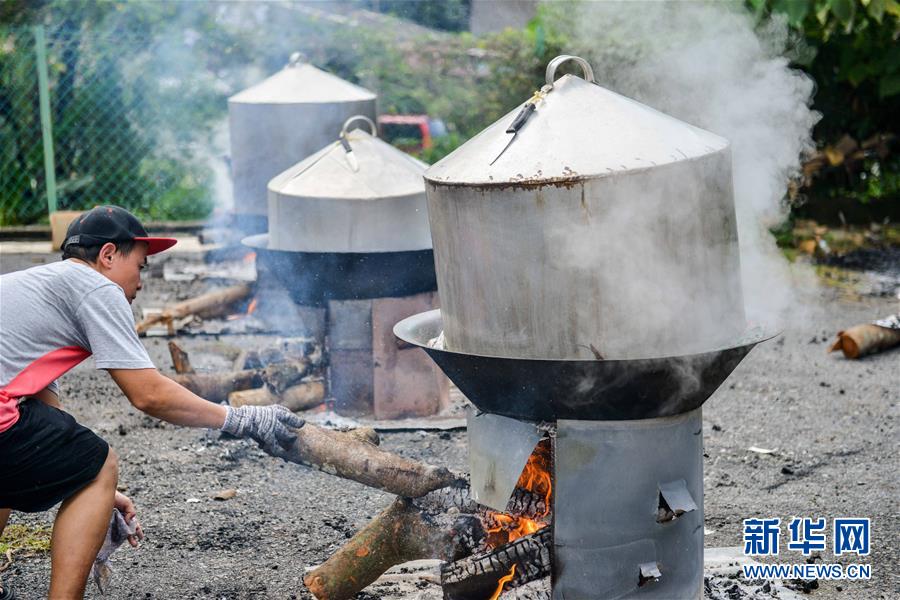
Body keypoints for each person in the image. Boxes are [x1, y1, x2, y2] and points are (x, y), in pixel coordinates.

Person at [0, 206, 304, 599]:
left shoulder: (40, 288)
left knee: (73, 462)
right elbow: (149, 394)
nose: (141, 282)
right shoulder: (96, 286)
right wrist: (241, 419)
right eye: (140, 266)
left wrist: (95, 494)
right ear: (108, 256)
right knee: (101, 460)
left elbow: (49, 430)